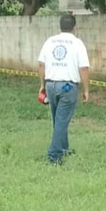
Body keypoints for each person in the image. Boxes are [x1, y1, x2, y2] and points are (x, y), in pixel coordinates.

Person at [38, 14, 90, 165]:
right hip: (67, 87)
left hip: (51, 85)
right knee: (62, 121)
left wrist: (42, 85)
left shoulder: (50, 41)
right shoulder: (77, 43)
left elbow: (41, 64)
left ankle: (63, 148)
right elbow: (84, 68)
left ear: (60, 27)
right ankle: (54, 155)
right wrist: (86, 90)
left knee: (58, 119)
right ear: (74, 28)